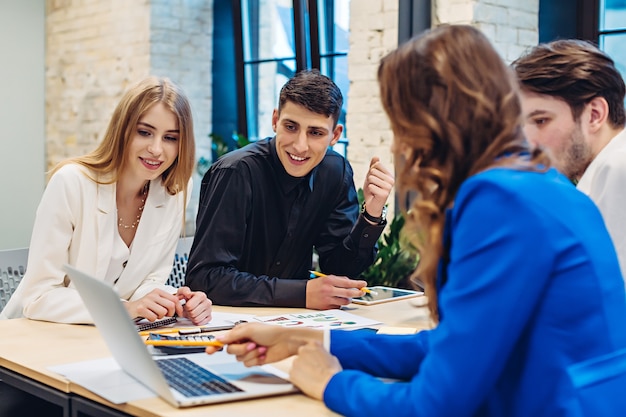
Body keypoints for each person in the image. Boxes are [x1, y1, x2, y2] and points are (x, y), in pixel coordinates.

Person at [205, 25, 626, 416]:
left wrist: (331, 382)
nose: (399, 144)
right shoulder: (544, 183)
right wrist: (310, 339)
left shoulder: (498, 199)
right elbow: (452, 346)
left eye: (399, 123)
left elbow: (436, 404)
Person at [0, 76, 212, 325]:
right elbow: (38, 297)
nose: (156, 149)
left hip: (107, 337)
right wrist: (125, 309)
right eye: (145, 132)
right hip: (33, 336)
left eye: (170, 138)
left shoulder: (173, 192)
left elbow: (147, 282)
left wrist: (172, 301)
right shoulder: (71, 182)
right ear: (122, 130)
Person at [186, 69, 395, 309]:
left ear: (335, 135)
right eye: (291, 127)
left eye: (315, 133)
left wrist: (372, 214)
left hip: (297, 322)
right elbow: (204, 279)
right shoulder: (236, 172)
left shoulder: (335, 172)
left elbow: (339, 269)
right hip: (225, 320)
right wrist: (301, 293)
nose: (300, 146)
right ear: (275, 120)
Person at [512, 40, 626, 280]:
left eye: (541, 121)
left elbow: (608, 298)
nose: (528, 141)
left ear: (594, 114)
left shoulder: (618, 167)